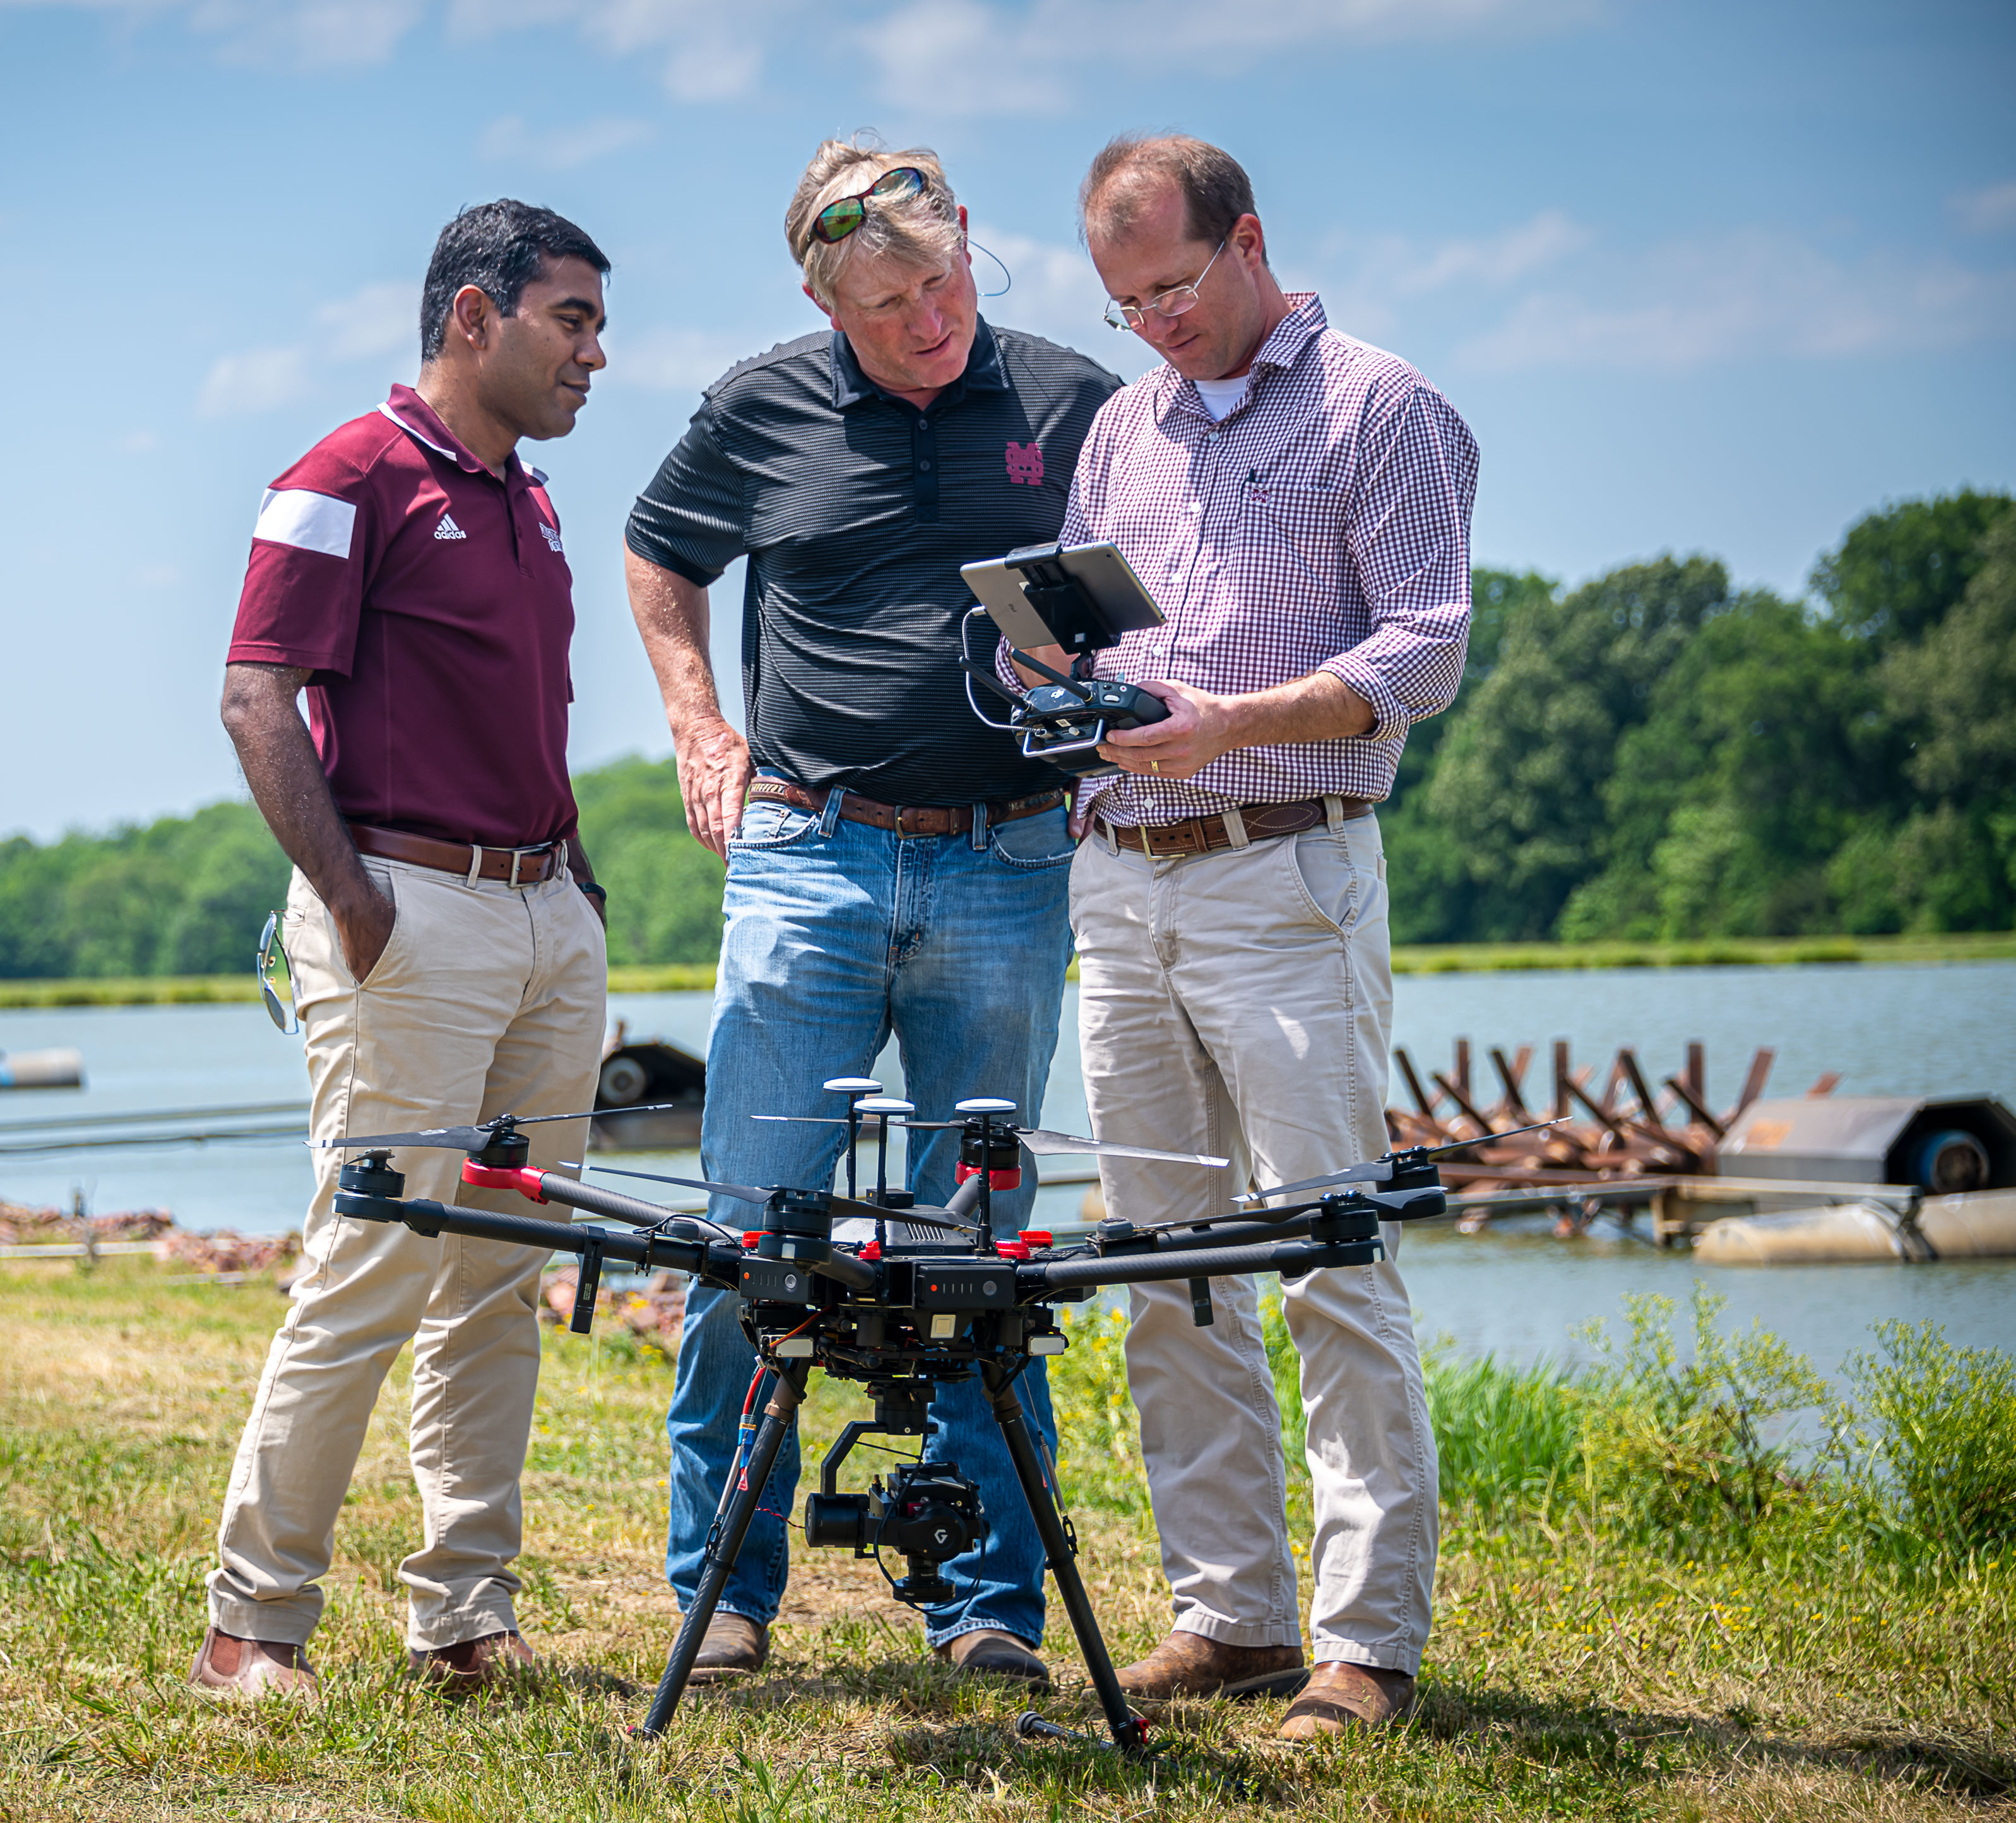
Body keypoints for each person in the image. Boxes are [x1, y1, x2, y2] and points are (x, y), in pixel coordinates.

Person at [622, 140, 1123, 1688]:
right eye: (890, 301)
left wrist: (1093, 697)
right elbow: (657, 558)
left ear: (972, 237)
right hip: (809, 858)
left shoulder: (1077, 400)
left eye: (945, 279)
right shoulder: (757, 405)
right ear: (823, 302)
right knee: (743, 1238)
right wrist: (704, 728)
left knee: (982, 1248)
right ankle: (728, 1593)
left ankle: (985, 1608)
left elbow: (1141, 589)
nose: (930, 319)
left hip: (1011, 860)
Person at [1036, 134, 1477, 1740]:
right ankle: (1228, 1612)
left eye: (1170, 286)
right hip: (1121, 873)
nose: (1153, 324)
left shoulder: (1383, 404)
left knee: (1328, 1258)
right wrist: (1054, 679)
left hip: (1284, 868)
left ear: (1249, 242)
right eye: (1123, 301)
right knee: (1167, 1267)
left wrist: (1233, 726)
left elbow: (1423, 647)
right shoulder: (1120, 432)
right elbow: (1100, 633)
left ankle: (1367, 1645)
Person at [192, 199, 613, 1704]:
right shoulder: (343, 475)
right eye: (570, 317)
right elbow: (257, 698)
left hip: (544, 916)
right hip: (408, 912)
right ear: (471, 318)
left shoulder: (532, 499)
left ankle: (463, 1614)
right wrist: (355, 899)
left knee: (505, 1274)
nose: (597, 352)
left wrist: (575, 889)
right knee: (370, 1263)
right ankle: (253, 1625)